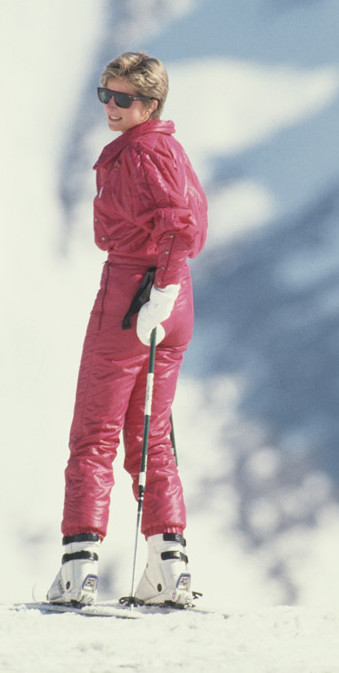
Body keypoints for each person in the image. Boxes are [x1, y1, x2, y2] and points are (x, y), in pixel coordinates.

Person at [47, 52, 208, 607]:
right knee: (152, 435)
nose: (112, 108)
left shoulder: (142, 153)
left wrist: (155, 290)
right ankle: (170, 568)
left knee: (94, 430)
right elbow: (188, 225)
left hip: (133, 291)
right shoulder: (167, 149)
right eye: (105, 95)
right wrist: (168, 291)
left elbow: (180, 226)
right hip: (171, 296)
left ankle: (78, 568)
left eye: (124, 99)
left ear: (150, 104)